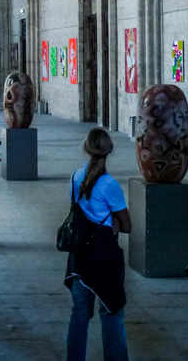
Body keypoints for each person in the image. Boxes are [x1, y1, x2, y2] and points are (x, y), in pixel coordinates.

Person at [64, 127, 130, 361]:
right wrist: (112, 220)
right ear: (109, 150)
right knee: (112, 311)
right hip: (104, 256)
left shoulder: (75, 176)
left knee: (79, 313)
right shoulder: (109, 184)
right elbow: (127, 224)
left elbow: (77, 210)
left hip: (80, 254)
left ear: (86, 148)